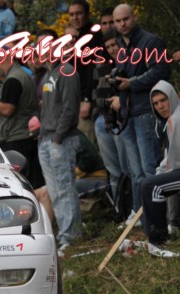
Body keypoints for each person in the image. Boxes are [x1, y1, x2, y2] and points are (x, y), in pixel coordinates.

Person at [111, 4, 170, 226]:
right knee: (135, 171)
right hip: (128, 113)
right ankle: (139, 213)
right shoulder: (121, 46)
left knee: (150, 167)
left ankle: (159, 217)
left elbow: (161, 71)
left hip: (146, 110)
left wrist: (132, 83)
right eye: (118, 21)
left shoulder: (151, 41)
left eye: (125, 19)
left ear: (134, 17)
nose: (122, 24)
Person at [37, 31, 82, 254]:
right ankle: (65, 235)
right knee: (55, 192)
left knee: (65, 188)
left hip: (61, 140)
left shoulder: (67, 71)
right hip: (45, 139)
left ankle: (71, 237)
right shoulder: (48, 74)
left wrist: (57, 138)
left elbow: (70, 108)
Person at [0, 50, 44, 188]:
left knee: (19, 183)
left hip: (15, 138)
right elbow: (17, 100)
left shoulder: (13, 79)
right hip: (27, 135)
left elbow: (7, 110)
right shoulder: (23, 74)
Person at [139, 81, 180, 247]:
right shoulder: (172, 119)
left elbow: (174, 160)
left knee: (152, 187)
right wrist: (160, 172)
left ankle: (158, 239)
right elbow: (169, 156)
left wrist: (161, 175)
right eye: (156, 103)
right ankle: (156, 235)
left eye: (163, 100)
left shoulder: (176, 119)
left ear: (172, 97)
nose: (160, 106)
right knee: (150, 184)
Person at [92, 28, 128, 205]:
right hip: (104, 118)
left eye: (114, 44)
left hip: (123, 119)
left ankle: (133, 209)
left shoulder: (128, 62)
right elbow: (95, 93)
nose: (112, 49)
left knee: (127, 168)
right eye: (108, 46)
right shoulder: (101, 64)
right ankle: (119, 210)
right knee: (113, 171)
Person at [67, 0, 103, 145]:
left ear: (87, 14)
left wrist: (87, 99)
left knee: (87, 143)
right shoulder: (77, 36)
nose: (75, 18)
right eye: (71, 14)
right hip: (75, 98)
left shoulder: (94, 36)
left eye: (79, 13)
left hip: (87, 99)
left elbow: (92, 69)